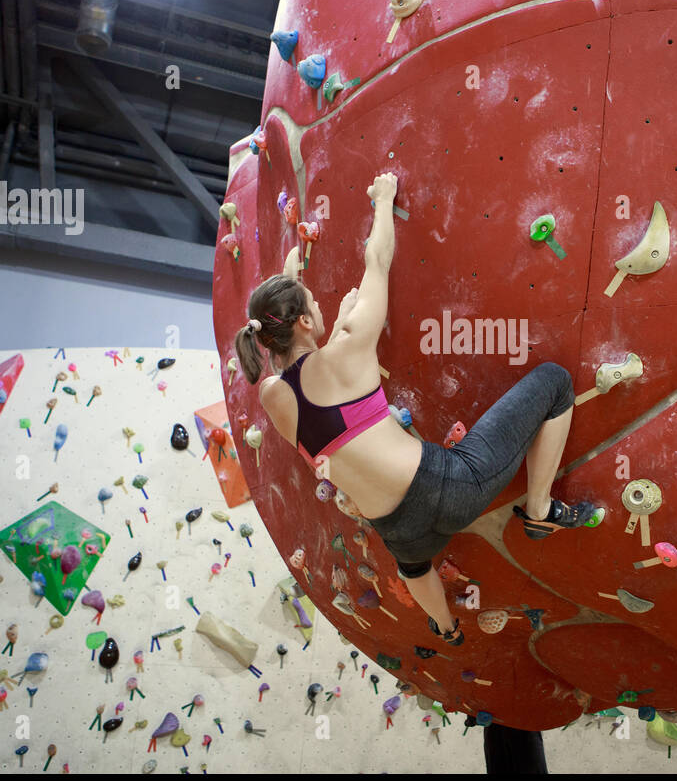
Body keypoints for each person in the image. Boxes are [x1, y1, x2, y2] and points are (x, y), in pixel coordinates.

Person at [234, 172, 595, 646]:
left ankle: (446, 628)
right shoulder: (350, 345)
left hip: (397, 529)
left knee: (416, 567)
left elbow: (294, 357)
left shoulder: (272, 397)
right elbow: (377, 260)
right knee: (555, 382)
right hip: (449, 487)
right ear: (304, 320)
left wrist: (318, 307)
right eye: (313, 305)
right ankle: (540, 508)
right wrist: (383, 199)